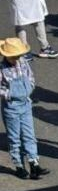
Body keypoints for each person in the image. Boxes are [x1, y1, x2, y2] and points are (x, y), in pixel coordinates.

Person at [0, 36, 47, 179]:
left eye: (18, 55)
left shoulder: (23, 62)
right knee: (15, 138)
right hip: (11, 107)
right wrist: (10, 94)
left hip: (26, 104)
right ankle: (19, 166)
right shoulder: (2, 69)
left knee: (29, 135)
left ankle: (34, 163)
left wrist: (30, 87)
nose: (16, 58)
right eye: (13, 56)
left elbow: (31, 77)